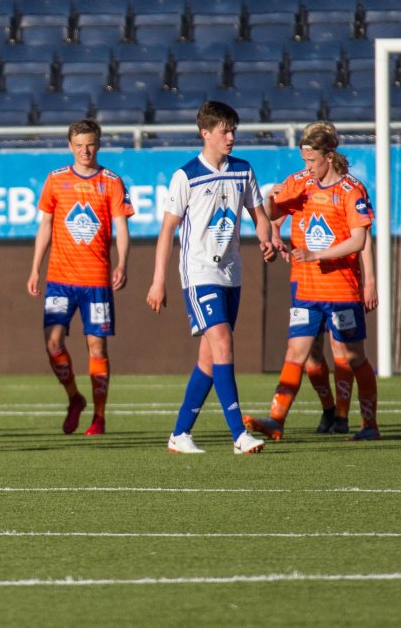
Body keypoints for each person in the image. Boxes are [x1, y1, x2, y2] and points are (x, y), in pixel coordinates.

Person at [145, 100, 276, 455]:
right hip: (199, 272)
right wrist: (158, 280)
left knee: (208, 359)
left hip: (231, 273)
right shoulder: (186, 176)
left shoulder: (243, 170)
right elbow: (167, 231)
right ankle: (239, 435)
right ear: (205, 133)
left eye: (233, 131)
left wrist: (267, 239)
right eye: (224, 131)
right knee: (223, 342)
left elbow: (259, 215)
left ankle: (180, 434)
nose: (231, 137)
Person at [242, 124, 381, 442]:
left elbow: (359, 240)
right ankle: (276, 420)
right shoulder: (301, 183)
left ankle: (369, 425)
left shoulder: (352, 191)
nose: (307, 167)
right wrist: (270, 200)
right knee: (297, 352)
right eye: (304, 160)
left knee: (353, 356)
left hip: (341, 289)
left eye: (312, 161)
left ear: (329, 157)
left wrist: (317, 254)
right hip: (306, 289)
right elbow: (273, 213)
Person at [27, 118, 133, 436]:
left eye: (90, 145)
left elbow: (122, 228)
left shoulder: (112, 182)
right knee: (53, 342)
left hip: (96, 280)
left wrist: (122, 263)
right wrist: (35, 268)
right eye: (79, 146)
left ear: (98, 144)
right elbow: (45, 226)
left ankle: (99, 417)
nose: (85, 151)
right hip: (59, 279)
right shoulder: (56, 179)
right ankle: (75, 397)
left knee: (96, 348)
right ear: (69, 146)